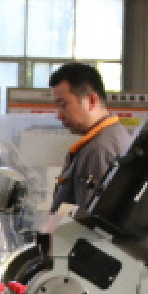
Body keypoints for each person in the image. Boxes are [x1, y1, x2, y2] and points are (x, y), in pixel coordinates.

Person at [48, 63, 131, 213]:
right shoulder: (113, 136)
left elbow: (87, 221)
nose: (58, 115)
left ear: (91, 100)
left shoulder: (98, 150)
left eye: (63, 105)